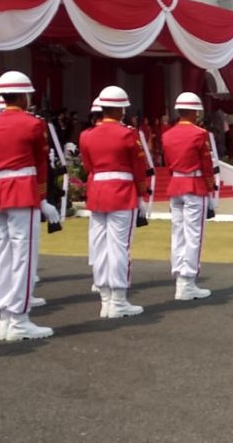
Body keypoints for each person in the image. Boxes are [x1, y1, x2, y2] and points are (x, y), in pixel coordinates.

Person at [0, 71, 57, 341]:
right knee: (23, 256)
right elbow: (40, 164)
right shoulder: (33, 124)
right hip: (23, 190)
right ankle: (19, 318)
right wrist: (42, 197)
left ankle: (5, 316)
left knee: (2, 256)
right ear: (25, 95)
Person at [80, 85, 150, 319]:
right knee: (119, 247)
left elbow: (88, 167)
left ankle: (105, 300)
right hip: (122, 192)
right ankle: (118, 300)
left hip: (98, 193)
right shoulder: (128, 134)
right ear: (121, 110)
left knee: (100, 246)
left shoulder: (87, 135)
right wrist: (142, 194)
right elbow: (139, 168)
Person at [162, 92, 215, 301]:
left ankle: (179, 278)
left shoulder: (167, 134)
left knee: (178, 234)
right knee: (194, 235)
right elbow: (207, 165)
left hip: (175, 184)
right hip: (194, 184)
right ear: (194, 111)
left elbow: (167, 163)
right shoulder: (199, 134)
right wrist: (210, 190)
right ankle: (188, 281)